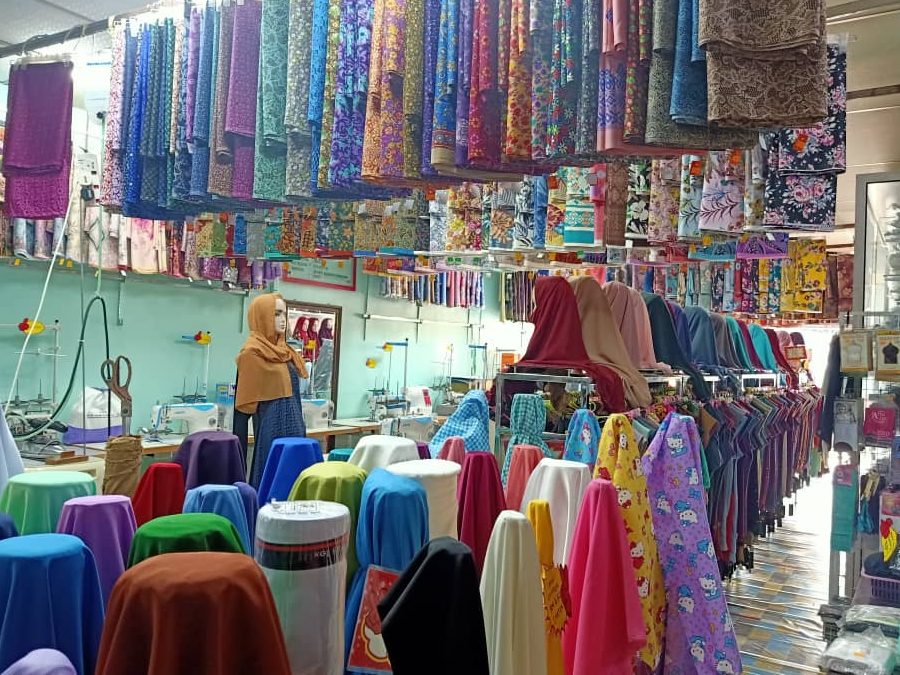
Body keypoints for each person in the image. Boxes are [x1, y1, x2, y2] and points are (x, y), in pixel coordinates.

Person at [232, 294, 308, 488]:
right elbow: (241, 413)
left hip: (296, 433)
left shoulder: (287, 353)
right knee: (273, 488)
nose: (283, 319)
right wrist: (238, 466)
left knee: (297, 489)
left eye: (284, 313)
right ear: (261, 316)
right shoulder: (251, 355)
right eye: (276, 314)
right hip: (272, 435)